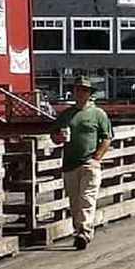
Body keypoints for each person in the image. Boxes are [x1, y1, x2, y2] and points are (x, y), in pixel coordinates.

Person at [50, 76, 112, 251]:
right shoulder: (66, 114)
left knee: (87, 198)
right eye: (78, 90)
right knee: (75, 202)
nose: (80, 93)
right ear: (74, 92)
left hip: (89, 163)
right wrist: (58, 138)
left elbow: (107, 138)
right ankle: (79, 231)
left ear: (89, 94)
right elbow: (54, 135)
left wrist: (97, 158)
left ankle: (84, 232)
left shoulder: (98, 114)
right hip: (70, 164)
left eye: (84, 90)